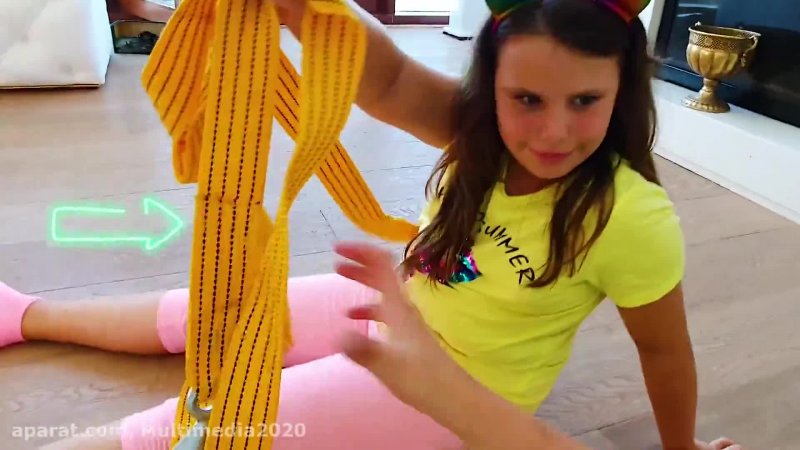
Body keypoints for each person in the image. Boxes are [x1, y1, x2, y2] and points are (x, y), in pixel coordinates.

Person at [1, 0, 749, 448]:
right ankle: (28, 314)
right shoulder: (476, 131)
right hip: (399, 300)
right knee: (213, 308)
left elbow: (664, 349)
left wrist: (679, 446)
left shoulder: (631, 219)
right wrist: (305, 8)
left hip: (458, 384)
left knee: (213, 424)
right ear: (490, 85)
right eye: (527, 99)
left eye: (585, 101)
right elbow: (387, 77)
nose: (553, 131)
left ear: (623, 92)